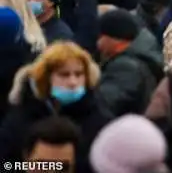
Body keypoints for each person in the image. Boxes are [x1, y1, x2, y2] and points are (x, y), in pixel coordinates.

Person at [0, 42, 112, 172]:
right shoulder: (22, 116)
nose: (73, 82)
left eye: (79, 74)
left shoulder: (100, 119)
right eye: (64, 75)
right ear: (46, 78)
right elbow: (6, 164)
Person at [95, 9, 163, 117]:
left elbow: (105, 103)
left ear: (111, 38)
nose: (98, 42)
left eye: (100, 36)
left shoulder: (125, 67)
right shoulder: (137, 57)